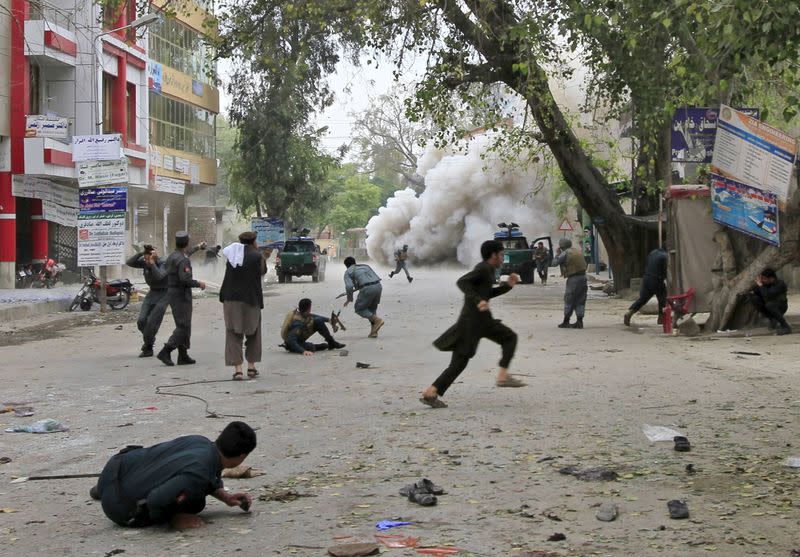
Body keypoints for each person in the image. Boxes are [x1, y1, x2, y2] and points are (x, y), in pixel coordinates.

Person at [90, 421, 256, 529]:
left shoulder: (200, 441)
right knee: (196, 503)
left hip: (114, 468)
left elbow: (205, 473)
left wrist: (225, 497)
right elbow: (157, 501)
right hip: (118, 508)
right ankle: (109, 494)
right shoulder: (201, 473)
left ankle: (103, 489)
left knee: (166, 465)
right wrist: (174, 519)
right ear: (242, 456)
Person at [420, 240, 524, 409]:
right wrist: (478, 301)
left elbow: (486, 293)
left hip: (479, 321)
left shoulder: (489, 270)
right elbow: (462, 282)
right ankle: (503, 376)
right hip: (473, 322)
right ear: (493, 255)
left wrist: (507, 287)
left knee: (461, 361)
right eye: (501, 255)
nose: (502, 258)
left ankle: (431, 392)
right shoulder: (483, 268)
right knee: (508, 338)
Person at [219, 232, 267, 381]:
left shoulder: (232, 254)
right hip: (251, 299)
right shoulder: (257, 255)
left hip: (231, 299)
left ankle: (238, 370)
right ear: (254, 241)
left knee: (233, 333)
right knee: (253, 332)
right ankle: (251, 368)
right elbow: (262, 271)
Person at [158, 232, 206, 366]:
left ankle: (183, 355)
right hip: (181, 294)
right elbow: (185, 279)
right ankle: (166, 350)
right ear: (186, 243)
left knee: (184, 324)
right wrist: (199, 283)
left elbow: (187, 252)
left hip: (173, 293)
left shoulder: (173, 256)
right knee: (183, 326)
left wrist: (198, 247)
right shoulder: (183, 260)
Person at [126, 244, 168, 357]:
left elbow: (160, 276)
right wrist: (142, 253)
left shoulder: (163, 262)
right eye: (145, 257)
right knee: (141, 321)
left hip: (163, 295)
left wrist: (153, 263)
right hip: (152, 293)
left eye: (148, 256)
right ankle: (149, 341)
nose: (145, 260)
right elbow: (129, 262)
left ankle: (148, 347)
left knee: (151, 323)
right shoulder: (145, 261)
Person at [280, 298, 346, 355]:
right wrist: (303, 351)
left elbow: (313, 316)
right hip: (293, 342)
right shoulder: (297, 323)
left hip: (300, 335)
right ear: (309, 308)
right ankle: (323, 346)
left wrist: (329, 320)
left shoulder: (301, 312)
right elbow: (291, 340)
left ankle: (331, 342)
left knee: (318, 320)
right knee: (311, 347)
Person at [624, 247, 668, 326]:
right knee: (662, 299)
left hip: (646, 279)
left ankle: (629, 312)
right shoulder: (665, 256)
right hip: (656, 279)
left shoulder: (653, 252)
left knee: (642, 299)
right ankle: (661, 319)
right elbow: (666, 271)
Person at [343, 257, 385, 338]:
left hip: (367, 289)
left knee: (359, 309)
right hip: (378, 286)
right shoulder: (365, 266)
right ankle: (374, 332)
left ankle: (377, 321)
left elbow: (349, 286)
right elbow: (373, 277)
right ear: (355, 262)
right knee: (372, 310)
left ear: (346, 265)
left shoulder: (348, 272)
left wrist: (349, 299)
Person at [743, 267, 791, 335]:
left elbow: (768, 294)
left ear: (771, 278)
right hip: (770, 306)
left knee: (769, 305)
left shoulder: (780, 284)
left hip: (781, 306)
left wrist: (760, 285)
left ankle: (785, 326)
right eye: (762, 278)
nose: (762, 280)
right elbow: (757, 292)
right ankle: (772, 319)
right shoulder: (766, 284)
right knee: (755, 299)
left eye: (764, 278)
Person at [555, 237, 588, 328]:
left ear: (562, 246)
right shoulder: (577, 251)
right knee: (581, 299)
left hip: (573, 279)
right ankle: (579, 321)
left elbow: (554, 263)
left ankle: (566, 321)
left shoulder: (565, 253)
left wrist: (557, 254)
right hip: (583, 277)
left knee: (569, 299)